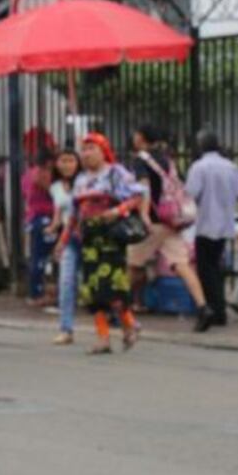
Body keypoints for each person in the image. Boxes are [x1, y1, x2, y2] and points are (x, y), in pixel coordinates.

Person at [127, 123, 213, 332]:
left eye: (136, 135)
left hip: (154, 222)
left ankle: (116, 307)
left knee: (131, 264)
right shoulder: (167, 160)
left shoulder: (141, 160)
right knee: (181, 264)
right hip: (171, 222)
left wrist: (144, 214)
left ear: (141, 138)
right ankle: (203, 307)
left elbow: (144, 188)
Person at [68, 133, 146, 354]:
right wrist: (65, 239)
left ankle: (129, 323)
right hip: (89, 237)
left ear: (104, 151)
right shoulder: (81, 179)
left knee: (111, 286)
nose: (87, 153)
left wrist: (117, 210)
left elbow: (138, 196)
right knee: (92, 289)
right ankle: (103, 337)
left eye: (92, 148)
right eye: (84, 149)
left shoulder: (116, 173)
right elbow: (74, 213)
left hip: (111, 236)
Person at [185, 129, 238, 328]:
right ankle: (220, 310)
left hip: (204, 224)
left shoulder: (199, 167)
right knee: (217, 267)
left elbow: (190, 193)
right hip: (224, 223)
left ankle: (213, 309)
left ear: (201, 145)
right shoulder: (231, 167)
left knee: (206, 269)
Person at [49, 149, 81, 345]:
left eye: (71, 160)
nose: (67, 165)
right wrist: (52, 227)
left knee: (93, 283)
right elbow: (58, 212)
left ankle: (118, 319)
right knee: (66, 282)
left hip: (88, 237)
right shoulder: (55, 187)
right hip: (68, 238)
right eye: (63, 161)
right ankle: (66, 328)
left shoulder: (85, 181)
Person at [21, 147, 56, 306]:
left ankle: (37, 292)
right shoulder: (42, 174)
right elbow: (53, 192)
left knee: (37, 256)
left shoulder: (28, 173)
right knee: (41, 257)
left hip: (32, 217)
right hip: (44, 217)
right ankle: (37, 294)